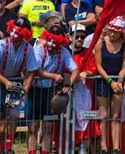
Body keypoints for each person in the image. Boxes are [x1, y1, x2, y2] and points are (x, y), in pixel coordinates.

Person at [0, 17, 39, 154]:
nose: (14, 35)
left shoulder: (28, 49)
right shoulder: (1, 45)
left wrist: (25, 90)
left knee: (13, 115)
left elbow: (32, 71)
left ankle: (8, 146)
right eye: (13, 31)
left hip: (14, 85)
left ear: (25, 35)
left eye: (18, 32)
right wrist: (5, 82)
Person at [30, 25, 79, 154]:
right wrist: (53, 76)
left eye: (56, 41)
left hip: (50, 92)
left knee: (48, 126)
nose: (52, 44)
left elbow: (75, 70)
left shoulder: (63, 52)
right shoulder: (39, 49)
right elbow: (36, 70)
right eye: (50, 39)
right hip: (35, 91)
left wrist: (69, 84)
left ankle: (45, 152)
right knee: (33, 127)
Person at [93, 17, 125, 154]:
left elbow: (124, 66)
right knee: (103, 114)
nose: (112, 34)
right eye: (111, 30)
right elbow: (98, 66)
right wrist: (110, 81)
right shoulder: (101, 43)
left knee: (115, 115)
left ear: (121, 33)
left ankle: (116, 147)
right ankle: (103, 147)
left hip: (117, 79)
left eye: (115, 32)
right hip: (103, 79)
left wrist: (119, 81)